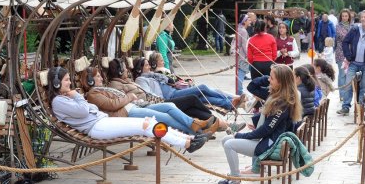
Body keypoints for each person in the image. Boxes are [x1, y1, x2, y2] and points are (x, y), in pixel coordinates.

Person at [47, 67, 207, 153]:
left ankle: (188, 139)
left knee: (151, 121)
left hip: (102, 121)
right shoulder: (59, 101)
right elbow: (83, 111)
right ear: (56, 83)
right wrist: (77, 96)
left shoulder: (66, 98)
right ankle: (185, 143)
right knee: (146, 126)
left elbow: (90, 109)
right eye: (66, 80)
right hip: (97, 127)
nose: (69, 83)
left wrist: (79, 100)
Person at [214, 64, 302, 184]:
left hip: (271, 147)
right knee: (226, 140)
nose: (268, 81)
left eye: (271, 78)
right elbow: (252, 87)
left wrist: (240, 135)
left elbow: (265, 130)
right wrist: (268, 76)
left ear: (281, 82)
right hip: (268, 141)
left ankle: (235, 183)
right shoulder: (278, 95)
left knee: (229, 144)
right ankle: (234, 175)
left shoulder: (283, 102)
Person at [107, 58, 246, 134]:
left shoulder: (139, 79)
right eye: (124, 70)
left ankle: (224, 125)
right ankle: (216, 121)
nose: (127, 72)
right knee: (195, 96)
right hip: (160, 102)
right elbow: (147, 96)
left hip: (161, 100)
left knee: (195, 106)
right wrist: (131, 97)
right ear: (119, 72)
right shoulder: (136, 81)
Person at [80, 67, 214, 135]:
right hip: (127, 112)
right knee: (165, 117)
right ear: (90, 80)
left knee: (170, 105)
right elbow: (112, 105)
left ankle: (194, 124)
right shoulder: (93, 94)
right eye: (97, 77)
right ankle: (196, 132)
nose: (101, 79)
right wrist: (129, 97)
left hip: (133, 107)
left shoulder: (102, 89)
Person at [132, 57, 245, 111]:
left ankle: (229, 103)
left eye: (148, 64)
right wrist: (161, 100)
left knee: (201, 97)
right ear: (139, 69)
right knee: (203, 88)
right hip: (170, 96)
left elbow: (168, 81)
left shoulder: (153, 75)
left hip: (175, 91)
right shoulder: (141, 79)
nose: (149, 67)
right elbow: (148, 94)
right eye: (146, 65)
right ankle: (231, 98)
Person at [337, 10, 365, 115]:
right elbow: (345, 42)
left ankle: (361, 107)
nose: (363, 19)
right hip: (354, 63)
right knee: (348, 85)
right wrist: (348, 56)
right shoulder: (355, 29)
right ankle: (345, 107)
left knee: (364, 87)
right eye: (362, 17)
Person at [335, 9, 352, 101]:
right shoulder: (338, 26)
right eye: (343, 16)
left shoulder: (353, 26)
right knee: (342, 74)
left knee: (349, 74)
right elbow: (343, 36)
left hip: (351, 53)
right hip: (340, 52)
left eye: (346, 16)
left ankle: (347, 93)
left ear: (349, 17)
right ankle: (342, 94)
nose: (344, 17)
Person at [236, 14, 251, 95]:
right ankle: (239, 91)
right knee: (241, 72)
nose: (250, 21)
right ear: (244, 22)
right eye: (248, 20)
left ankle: (238, 90)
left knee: (239, 72)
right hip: (242, 56)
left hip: (238, 54)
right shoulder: (244, 31)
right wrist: (248, 56)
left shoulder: (238, 29)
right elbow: (244, 45)